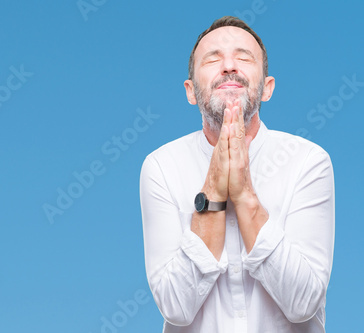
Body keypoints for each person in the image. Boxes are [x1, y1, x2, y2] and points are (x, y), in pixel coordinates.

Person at [139, 16, 334, 333]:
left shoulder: (308, 161)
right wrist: (214, 193)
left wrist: (244, 195)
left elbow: (303, 304)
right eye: (213, 58)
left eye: (243, 57)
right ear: (191, 92)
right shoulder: (161, 166)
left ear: (267, 88)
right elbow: (176, 308)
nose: (229, 65)